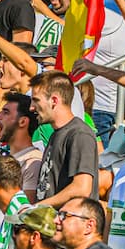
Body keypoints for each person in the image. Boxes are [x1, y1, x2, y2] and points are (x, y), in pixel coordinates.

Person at [29, 70, 98, 207]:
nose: (31, 108)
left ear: (54, 100)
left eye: (36, 100)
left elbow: (82, 188)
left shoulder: (79, 134)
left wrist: (38, 208)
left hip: (72, 225)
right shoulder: (56, 134)